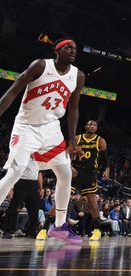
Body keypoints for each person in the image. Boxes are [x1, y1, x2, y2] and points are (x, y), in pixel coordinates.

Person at [0, 38, 84, 243]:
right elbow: (13, 91)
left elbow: (73, 109)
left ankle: (59, 226)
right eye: (68, 48)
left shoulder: (78, 75)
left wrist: (72, 139)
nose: (73, 51)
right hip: (27, 126)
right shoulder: (40, 65)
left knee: (65, 173)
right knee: (15, 172)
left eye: (75, 48)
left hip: (51, 128)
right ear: (57, 50)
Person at [71, 119, 110, 240]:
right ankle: (54, 226)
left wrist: (107, 168)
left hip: (90, 173)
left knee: (92, 202)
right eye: (89, 124)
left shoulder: (100, 140)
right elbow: (68, 153)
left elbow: (105, 158)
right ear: (85, 126)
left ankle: (97, 230)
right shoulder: (77, 138)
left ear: (96, 128)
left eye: (93, 125)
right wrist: (69, 165)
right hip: (76, 171)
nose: (91, 126)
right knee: (63, 197)